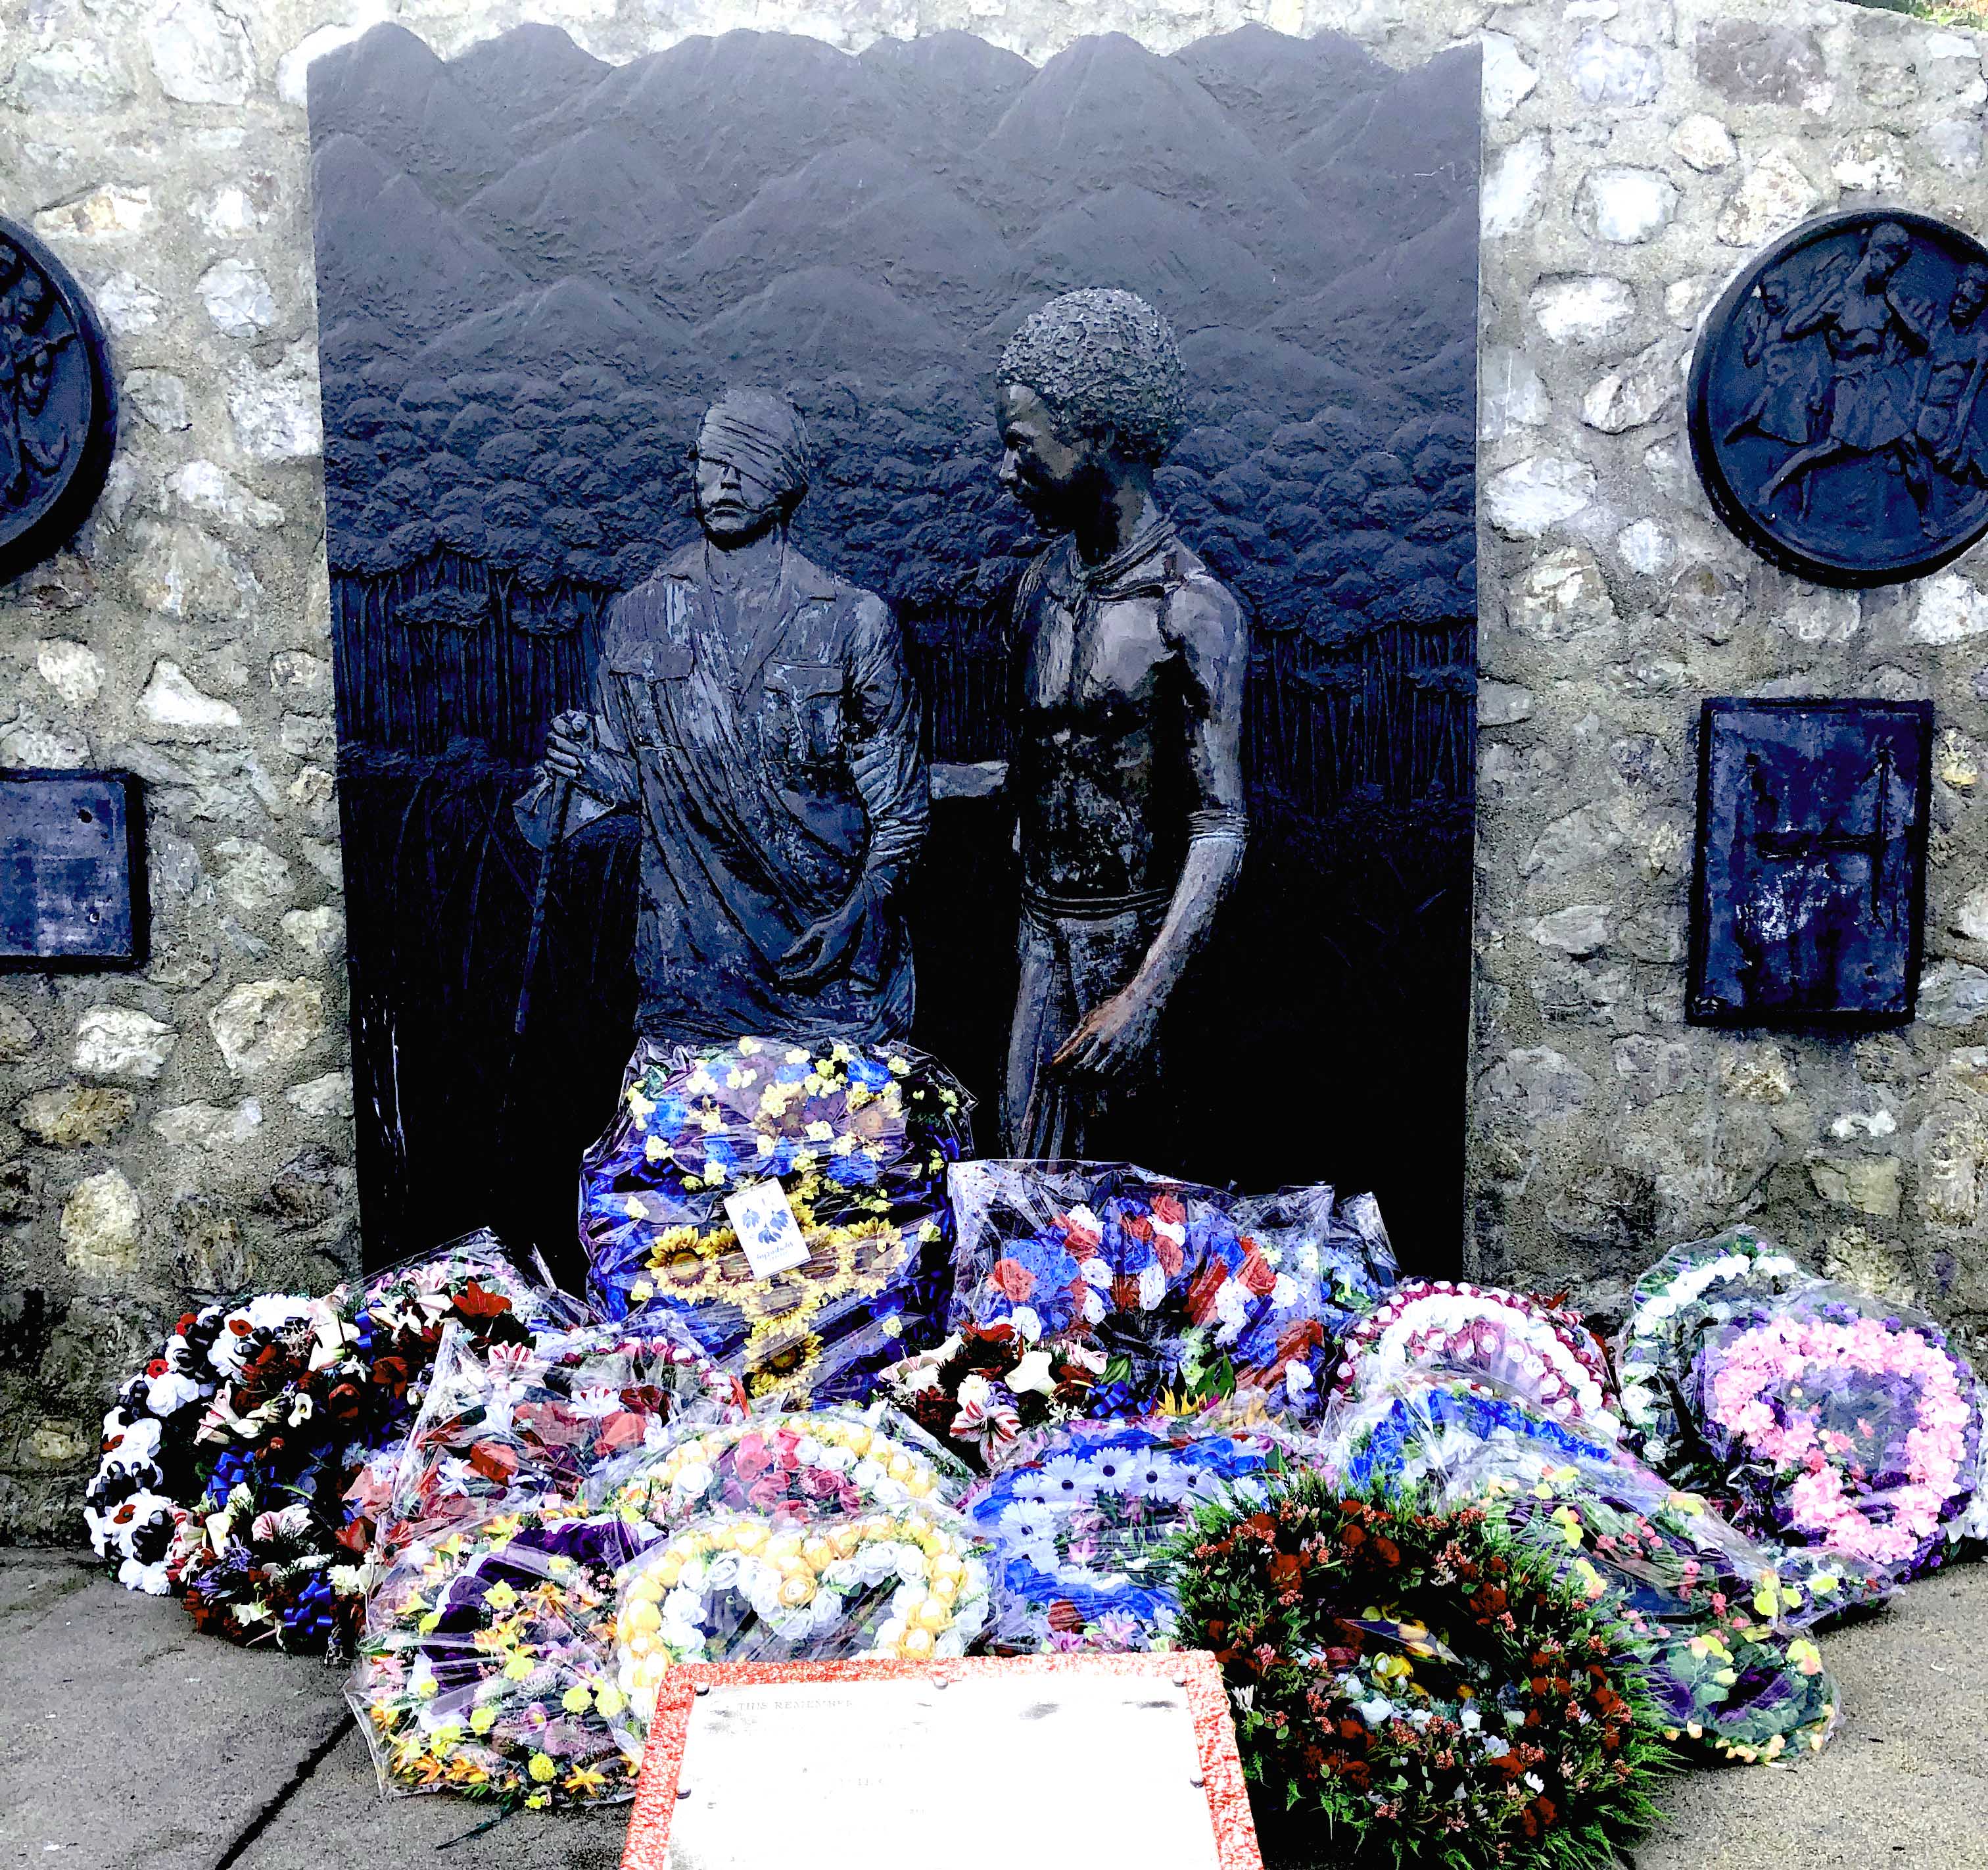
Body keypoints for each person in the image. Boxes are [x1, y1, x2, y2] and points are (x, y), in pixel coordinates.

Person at [521, 387, 928, 1053]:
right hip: (691, 984)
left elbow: (902, 817)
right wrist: (576, 761)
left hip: (830, 980)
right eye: (712, 462)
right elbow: (626, 780)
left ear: (791, 479)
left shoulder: (853, 621)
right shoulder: (640, 616)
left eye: (750, 461)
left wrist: (854, 918)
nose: (726, 481)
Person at [993, 289, 1248, 1156]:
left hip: (1137, 954)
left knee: (1136, 1229)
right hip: (1040, 945)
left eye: (1024, 447)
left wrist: (1143, 998)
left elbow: (1220, 826)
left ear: (1096, 434)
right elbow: (1027, 773)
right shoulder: (1035, 590)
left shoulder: (1193, 609)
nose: (1005, 472)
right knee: (1023, 1188)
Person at [1759, 223, 1937, 526]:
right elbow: (1792, 328)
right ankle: (1768, 490)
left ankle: (1927, 518)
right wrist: (1822, 297)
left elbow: (1922, 343)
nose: (1891, 272)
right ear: (1874, 256)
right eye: (1890, 265)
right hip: (1848, 384)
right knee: (1831, 448)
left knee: (1909, 446)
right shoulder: (1839, 298)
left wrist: (1898, 308)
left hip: (1877, 386)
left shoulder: (1886, 302)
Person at [1915, 262, 1988, 494]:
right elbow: (1920, 383)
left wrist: (1956, 440)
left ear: (1979, 307)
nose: (1958, 305)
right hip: (1928, 418)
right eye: (1958, 298)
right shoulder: (1938, 331)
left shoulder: (1981, 344)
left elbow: (1968, 398)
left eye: (1967, 302)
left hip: (1955, 419)